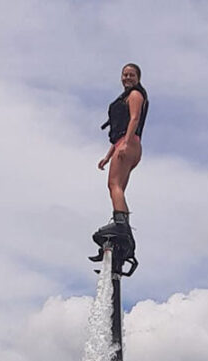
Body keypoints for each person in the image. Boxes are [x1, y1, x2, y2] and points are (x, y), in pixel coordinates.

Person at [92, 63, 149, 246]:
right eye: (124, 75)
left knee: (113, 184)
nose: (127, 78)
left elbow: (134, 118)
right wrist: (108, 156)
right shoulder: (125, 96)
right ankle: (124, 233)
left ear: (138, 78)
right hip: (125, 143)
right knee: (118, 190)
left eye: (131, 75)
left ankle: (121, 226)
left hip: (129, 143)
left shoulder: (135, 95)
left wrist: (125, 143)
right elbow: (118, 132)